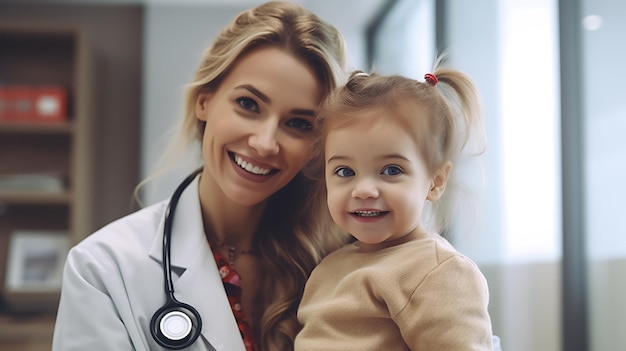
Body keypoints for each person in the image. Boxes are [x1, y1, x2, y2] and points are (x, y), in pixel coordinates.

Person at [52, 2, 349, 350]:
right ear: (205, 101)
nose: (265, 143)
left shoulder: (341, 261)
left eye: (299, 123)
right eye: (249, 105)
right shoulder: (103, 269)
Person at [294, 64, 496, 350]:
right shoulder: (329, 268)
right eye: (344, 172)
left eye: (390, 170)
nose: (363, 190)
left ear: (435, 182)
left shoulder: (437, 272)